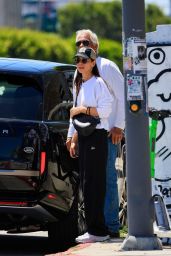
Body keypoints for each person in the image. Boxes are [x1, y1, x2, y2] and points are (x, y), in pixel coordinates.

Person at [66, 29, 125, 238]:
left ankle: (110, 227)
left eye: (86, 42)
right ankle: (98, 227)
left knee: (106, 179)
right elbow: (76, 105)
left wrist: (119, 125)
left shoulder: (107, 67)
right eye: (78, 43)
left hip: (106, 132)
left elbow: (122, 97)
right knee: (90, 181)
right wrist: (71, 135)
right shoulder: (79, 71)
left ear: (95, 46)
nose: (82, 45)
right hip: (86, 133)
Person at [68, 47, 113, 243]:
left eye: (84, 60)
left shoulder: (98, 83)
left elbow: (106, 109)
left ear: (93, 63)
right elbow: (76, 119)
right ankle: (93, 229)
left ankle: (99, 231)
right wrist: (72, 139)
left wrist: (81, 108)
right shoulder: (81, 84)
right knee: (87, 183)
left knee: (94, 183)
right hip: (85, 137)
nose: (80, 63)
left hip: (97, 136)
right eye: (78, 59)